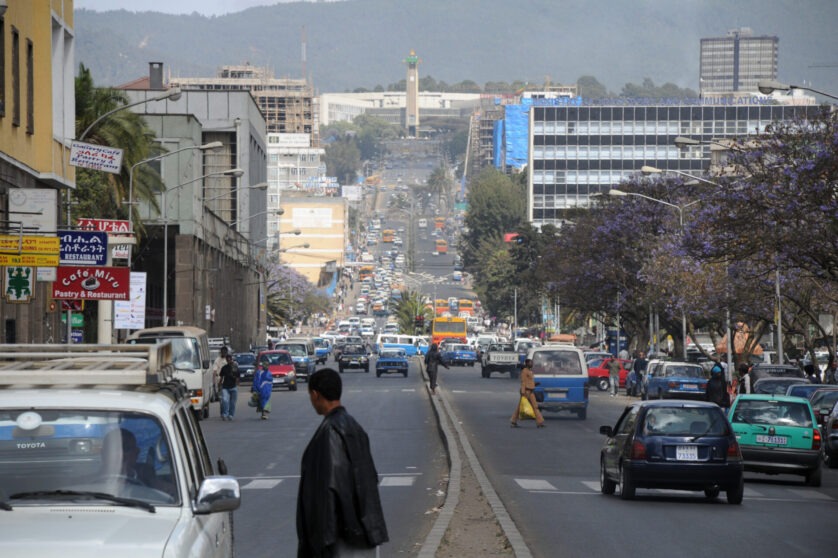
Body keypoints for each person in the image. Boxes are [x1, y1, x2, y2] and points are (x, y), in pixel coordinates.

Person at [297, 369, 388, 557]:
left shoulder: (328, 434)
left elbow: (326, 493)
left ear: (315, 395)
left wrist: (322, 545)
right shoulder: (355, 428)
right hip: (365, 533)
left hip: (340, 540)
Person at [510, 358, 545, 428]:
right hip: (526, 391)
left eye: (532, 363)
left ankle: (540, 422)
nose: (531, 364)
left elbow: (529, 382)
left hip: (531, 391)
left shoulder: (530, 371)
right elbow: (523, 382)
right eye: (530, 363)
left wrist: (535, 384)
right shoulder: (524, 371)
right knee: (520, 407)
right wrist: (523, 392)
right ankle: (513, 420)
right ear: (526, 364)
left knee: (535, 407)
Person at [219, 354, 239, 421]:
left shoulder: (235, 367)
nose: (229, 360)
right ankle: (225, 414)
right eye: (227, 359)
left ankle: (231, 415)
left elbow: (238, 378)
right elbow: (221, 377)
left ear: (231, 359)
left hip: (233, 387)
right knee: (225, 400)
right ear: (226, 360)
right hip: (225, 387)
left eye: (230, 359)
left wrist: (236, 383)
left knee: (232, 403)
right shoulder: (224, 368)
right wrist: (219, 385)